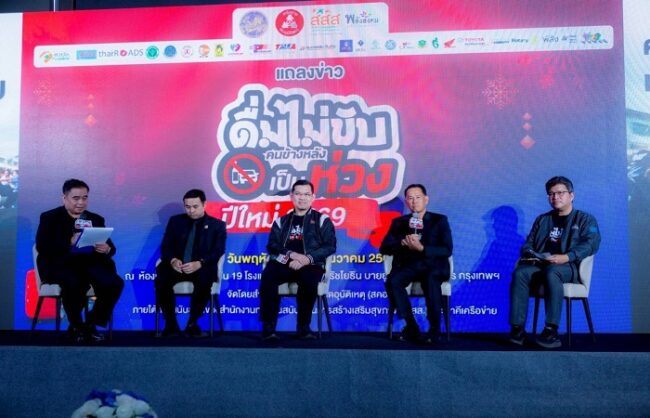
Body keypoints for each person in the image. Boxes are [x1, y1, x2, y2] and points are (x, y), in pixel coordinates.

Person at [509, 176, 600, 348]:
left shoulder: (585, 219)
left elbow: (592, 244)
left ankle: (551, 331)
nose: (555, 197)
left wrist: (567, 257)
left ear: (571, 195)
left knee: (552, 271)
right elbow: (528, 243)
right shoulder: (542, 219)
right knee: (521, 273)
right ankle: (517, 329)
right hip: (542, 265)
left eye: (560, 193)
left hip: (569, 267)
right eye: (551, 194)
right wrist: (532, 253)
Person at [36, 179, 123, 342]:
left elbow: (111, 247)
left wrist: (106, 249)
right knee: (76, 282)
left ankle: (90, 324)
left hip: (90, 265)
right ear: (64, 198)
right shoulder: (50, 217)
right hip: (60, 265)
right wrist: (68, 242)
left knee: (114, 283)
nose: (81, 202)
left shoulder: (95, 219)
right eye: (76, 198)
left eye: (85, 198)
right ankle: (76, 325)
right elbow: (43, 246)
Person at [259, 180, 336, 340]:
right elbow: (272, 245)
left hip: (311, 264)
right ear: (292, 196)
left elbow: (330, 246)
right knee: (268, 276)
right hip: (285, 262)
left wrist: (307, 258)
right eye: (298, 194)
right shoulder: (281, 221)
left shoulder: (322, 220)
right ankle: (268, 328)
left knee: (309, 279)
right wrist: (291, 255)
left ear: (313, 197)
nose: (302, 198)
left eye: (306, 194)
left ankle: (303, 328)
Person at [380, 184, 453, 344]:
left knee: (430, 279)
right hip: (410, 266)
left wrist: (422, 248)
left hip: (433, 266)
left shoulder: (439, 220)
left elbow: (447, 249)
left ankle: (435, 329)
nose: (414, 201)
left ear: (426, 199)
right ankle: (411, 327)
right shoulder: (399, 222)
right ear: (407, 201)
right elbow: (384, 247)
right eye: (410, 198)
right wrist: (402, 243)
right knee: (393, 281)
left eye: (418, 197)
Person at [155, 189, 227, 337]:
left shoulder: (217, 225)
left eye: (195, 206)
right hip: (177, 267)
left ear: (204, 204)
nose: (191, 210)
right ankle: (171, 324)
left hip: (201, 267)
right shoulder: (175, 222)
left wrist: (200, 263)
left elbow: (218, 251)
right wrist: (173, 260)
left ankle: (192, 324)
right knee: (161, 279)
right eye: (187, 207)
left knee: (205, 279)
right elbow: (166, 246)